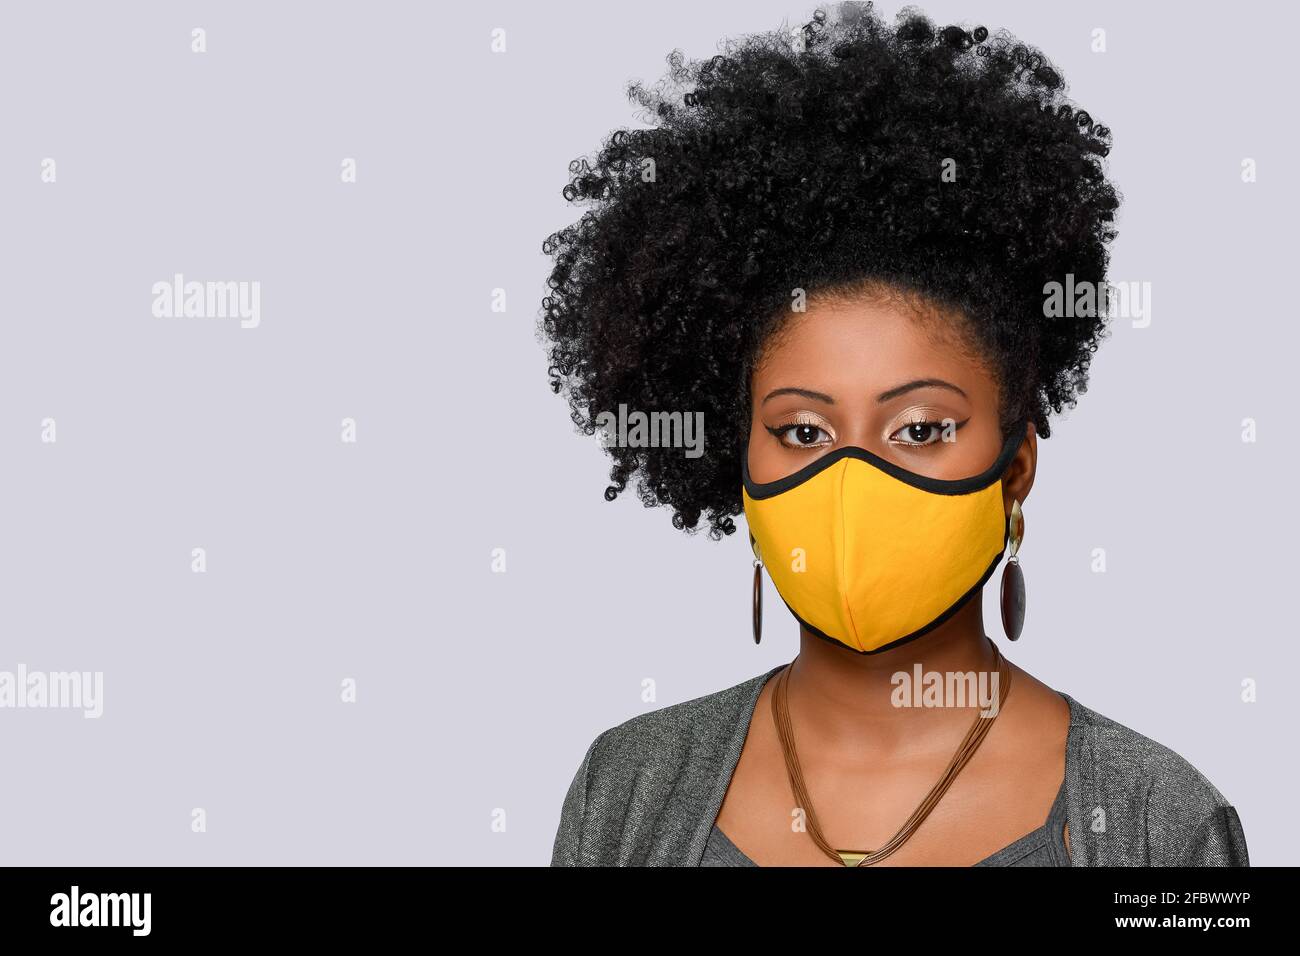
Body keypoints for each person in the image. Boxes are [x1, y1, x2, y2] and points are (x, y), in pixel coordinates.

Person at [540, 2, 1248, 866]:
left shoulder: (1154, 823)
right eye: (802, 430)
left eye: (918, 429)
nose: (852, 480)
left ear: (1015, 467)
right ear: (740, 467)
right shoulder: (626, 790)